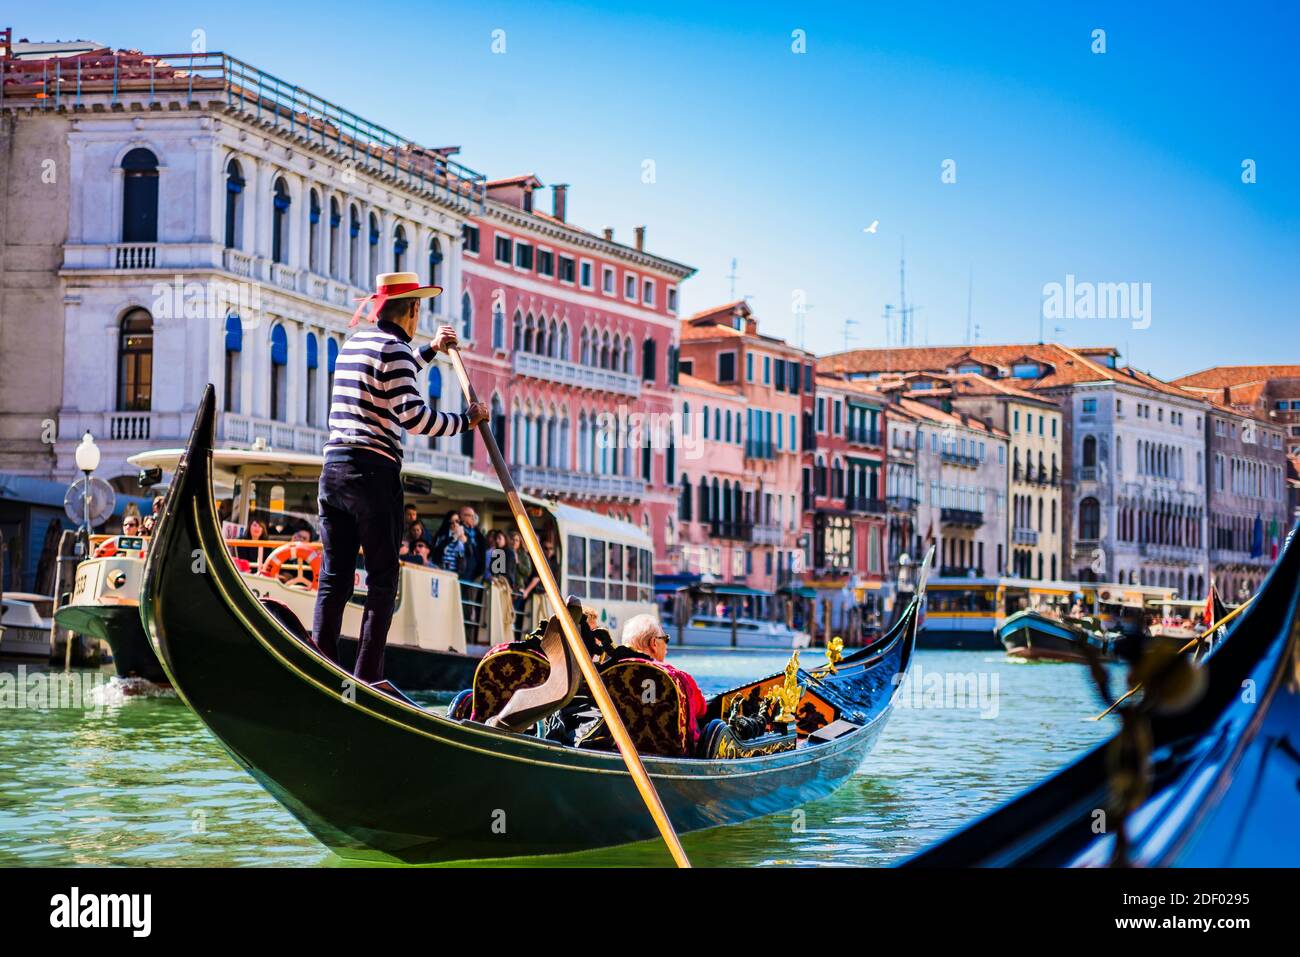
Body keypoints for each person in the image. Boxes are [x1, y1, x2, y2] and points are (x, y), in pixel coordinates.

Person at [310, 270, 488, 684]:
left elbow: (392, 378)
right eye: (418, 309)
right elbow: (414, 417)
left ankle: (322, 662)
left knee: (334, 576)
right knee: (383, 579)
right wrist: (467, 421)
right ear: (411, 310)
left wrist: (431, 350)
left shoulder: (355, 344)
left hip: (333, 470)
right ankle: (369, 676)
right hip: (374, 473)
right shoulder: (396, 351)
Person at [620, 613, 707, 749]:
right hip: (673, 751)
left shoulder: (610, 671)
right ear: (654, 643)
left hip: (622, 747)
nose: (666, 645)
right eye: (665, 639)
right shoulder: (678, 677)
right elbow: (701, 709)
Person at [458, 506, 486, 581]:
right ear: (461, 516)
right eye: (469, 515)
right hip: (462, 569)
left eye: (473, 515)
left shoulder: (477, 533)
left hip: (476, 572)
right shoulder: (459, 530)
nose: (472, 517)